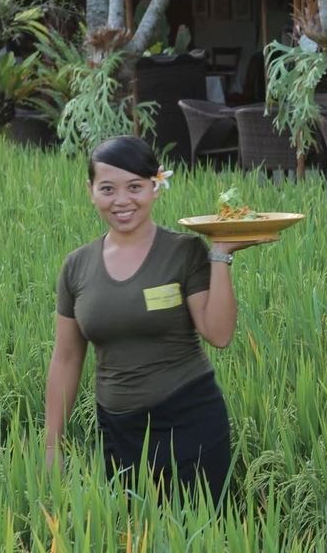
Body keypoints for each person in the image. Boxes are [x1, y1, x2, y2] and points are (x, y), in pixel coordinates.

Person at [44, 136, 261, 503]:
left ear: (155, 187)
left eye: (135, 187)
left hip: (189, 420)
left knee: (203, 533)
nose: (122, 201)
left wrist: (220, 254)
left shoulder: (183, 250)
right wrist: (52, 443)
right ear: (91, 190)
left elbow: (219, 334)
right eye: (108, 189)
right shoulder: (77, 266)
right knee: (132, 533)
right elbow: (66, 358)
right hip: (118, 428)